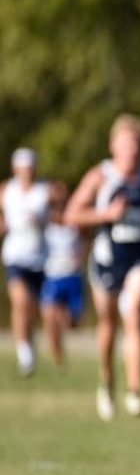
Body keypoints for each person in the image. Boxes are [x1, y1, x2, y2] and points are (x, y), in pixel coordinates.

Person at [65, 114, 140, 420]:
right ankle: (107, 382)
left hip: (139, 256)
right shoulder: (100, 176)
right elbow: (72, 214)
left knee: (134, 312)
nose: (131, 149)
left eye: (137, 144)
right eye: (126, 143)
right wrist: (105, 214)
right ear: (113, 145)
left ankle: (134, 389)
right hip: (107, 258)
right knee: (107, 322)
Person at [0, 148, 55, 375]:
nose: (27, 173)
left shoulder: (46, 191)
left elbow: (59, 216)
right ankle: (24, 352)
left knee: (32, 309)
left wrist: (43, 218)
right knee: (20, 301)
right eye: (22, 169)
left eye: (30, 169)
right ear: (16, 169)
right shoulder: (6, 191)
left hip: (40, 257)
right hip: (15, 255)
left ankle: (28, 342)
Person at [41, 181, 87, 366]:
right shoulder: (43, 221)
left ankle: (62, 340)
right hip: (52, 275)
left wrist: (81, 255)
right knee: (49, 317)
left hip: (73, 275)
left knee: (71, 322)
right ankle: (58, 358)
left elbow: (86, 241)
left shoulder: (75, 221)